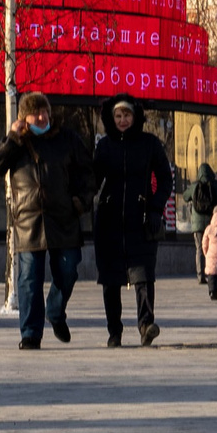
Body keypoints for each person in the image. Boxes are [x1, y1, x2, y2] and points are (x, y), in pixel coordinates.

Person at [0, 91, 91, 350]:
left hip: (63, 219)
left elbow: (87, 174)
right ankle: (30, 333)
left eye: (45, 111)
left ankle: (55, 310)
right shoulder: (17, 143)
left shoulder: (68, 139)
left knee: (68, 271)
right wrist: (12, 138)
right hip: (29, 223)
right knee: (29, 279)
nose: (42, 117)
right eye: (36, 113)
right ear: (24, 118)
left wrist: (80, 201)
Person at [90, 94, 175, 346]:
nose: (123, 120)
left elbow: (165, 180)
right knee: (110, 279)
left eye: (127, 115)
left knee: (143, 276)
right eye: (118, 116)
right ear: (111, 118)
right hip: (109, 221)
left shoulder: (150, 144)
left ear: (135, 116)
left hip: (142, 220)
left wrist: (156, 208)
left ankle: (146, 326)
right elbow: (92, 181)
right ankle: (114, 332)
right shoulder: (104, 146)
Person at [187, 163, 217, 240]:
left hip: (198, 225)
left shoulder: (194, 186)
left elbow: (185, 197)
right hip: (213, 223)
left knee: (200, 249)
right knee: (213, 248)